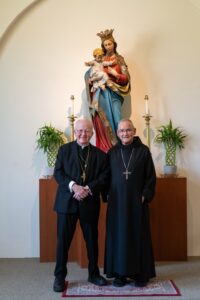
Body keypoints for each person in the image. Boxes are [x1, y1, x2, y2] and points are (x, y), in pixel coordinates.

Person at [53, 119, 109, 292]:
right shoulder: (64, 150)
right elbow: (58, 172)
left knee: (92, 242)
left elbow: (105, 176)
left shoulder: (100, 155)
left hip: (89, 203)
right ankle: (60, 276)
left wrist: (88, 188)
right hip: (66, 203)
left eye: (87, 131)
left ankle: (94, 273)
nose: (83, 134)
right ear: (74, 131)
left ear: (92, 133)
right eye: (80, 131)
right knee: (63, 242)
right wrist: (73, 186)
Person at [104, 119, 156, 288]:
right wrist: (107, 195)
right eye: (121, 131)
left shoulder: (143, 151)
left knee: (138, 236)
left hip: (136, 203)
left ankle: (140, 274)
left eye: (128, 130)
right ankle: (120, 274)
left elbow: (150, 177)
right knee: (119, 237)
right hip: (117, 204)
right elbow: (106, 178)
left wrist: (145, 195)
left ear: (134, 131)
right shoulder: (112, 152)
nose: (125, 133)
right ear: (117, 133)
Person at [85, 29, 131, 153]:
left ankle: (119, 148)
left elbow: (126, 79)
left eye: (109, 44)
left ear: (114, 44)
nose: (107, 47)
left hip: (114, 92)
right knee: (101, 120)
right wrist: (89, 77)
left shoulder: (119, 59)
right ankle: (105, 147)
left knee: (117, 119)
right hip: (101, 93)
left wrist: (115, 74)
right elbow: (89, 73)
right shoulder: (99, 59)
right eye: (105, 45)